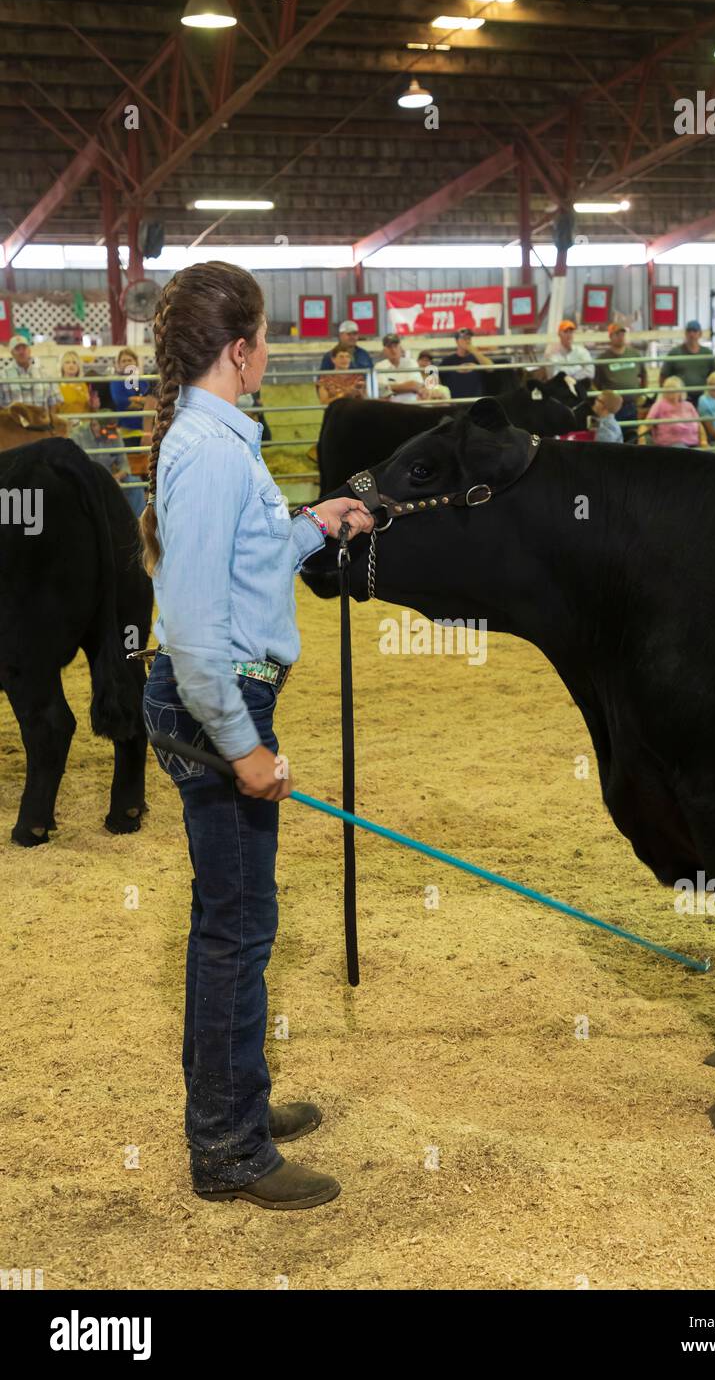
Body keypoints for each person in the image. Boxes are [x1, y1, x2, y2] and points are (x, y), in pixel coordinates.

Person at [139, 260, 374, 1210]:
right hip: (217, 704)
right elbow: (194, 631)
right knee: (237, 931)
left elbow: (249, 550)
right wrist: (242, 747)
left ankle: (236, 1099)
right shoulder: (205, 451)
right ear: (239, 352)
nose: (271, 354)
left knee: (235, 923)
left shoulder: (217, 443)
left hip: (226, 696)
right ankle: (227, 1148)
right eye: (265, 340)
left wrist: (317, 522)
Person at [70, 416, 145, 516]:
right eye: (107, 431)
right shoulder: (77, 435)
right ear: (94, 425)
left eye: (112, 430)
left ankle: (137, 525)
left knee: (135, 482)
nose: (110, 435)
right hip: (85, 478)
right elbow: (73, 465)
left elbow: (124, 465)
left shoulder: (114, 435)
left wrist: (116, 477)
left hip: (109, 477)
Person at [107, 346, 155, 480]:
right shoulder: (116, 382)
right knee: (132, 467)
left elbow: (152, 400)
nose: (127, 362)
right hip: (127, 431)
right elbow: (121, 401)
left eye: (130, 359)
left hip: (146, 431)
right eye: (123, 361)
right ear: (118, 365)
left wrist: (138, 401)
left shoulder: (143, 380)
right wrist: (143, 401)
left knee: (147, 466)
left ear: (136, 362)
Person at [593, 322, 645, 441]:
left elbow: (643, 375)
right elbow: (597, 382)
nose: (621, 336)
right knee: (612, 436)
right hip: (612, 408)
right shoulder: (602, 359)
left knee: (632, 436)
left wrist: (640, 394)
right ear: (610, 336)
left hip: (631, 404)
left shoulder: (635, 354)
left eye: (622, 333)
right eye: (617, 334)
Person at [0, 333, 60, 409]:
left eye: (24, 348)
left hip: (39, 420)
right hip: (14, 420)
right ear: (12, 353)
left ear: (29, 351)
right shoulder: (2, 376)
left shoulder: (45, 375)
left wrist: (49, 419)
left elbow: (55, 403)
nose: (21, 352)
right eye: (17, 349)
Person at [660, 320, 715, 395]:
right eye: (689, 331)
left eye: (695, 331)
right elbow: (663, 376)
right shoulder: (674, 353)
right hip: (679, 398)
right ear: (685, 333)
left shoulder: (707, 353)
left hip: (703, 397)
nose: (691, 334)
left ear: (700, 334)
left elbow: (714, 376)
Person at [646, 375, 701, 447]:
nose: (670, 390)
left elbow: (699, 425)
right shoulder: (659, 405)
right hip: (671, 444)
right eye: (668, 388)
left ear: (680, 391)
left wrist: (704, 441)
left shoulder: (689, 405)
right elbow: (647, 423)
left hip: (693, 442)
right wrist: (642, 440)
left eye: (673, 388)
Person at [438, 327, 493, 399]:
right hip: (455, 402)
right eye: (464, 338)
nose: (467, 341)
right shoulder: (448, 360)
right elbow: (437, 378)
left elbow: (491, 368)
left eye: (469, 338)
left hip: (475, 401)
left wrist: (474, 351)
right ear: (457, 341)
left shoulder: (476, 358)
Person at [375, 334, 425, 402]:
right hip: (390, 408)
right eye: (389, 347)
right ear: (384, 350)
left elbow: (415, 386)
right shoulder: (379, 366)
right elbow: (382, 392)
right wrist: (407, 387)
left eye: (395, 346)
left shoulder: (411, 363)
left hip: (411, 407)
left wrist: (389, 388)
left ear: (400, 348)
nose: (393, 350)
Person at [544, 319, 594, 384]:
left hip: (578, 385)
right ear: (559, 334)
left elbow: (590, 373)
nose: (569, 335)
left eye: (571, 332)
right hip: (559, 388)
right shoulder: (551, 352)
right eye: (565, 332)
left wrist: (572, 379)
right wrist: (578, 367)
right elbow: (554, 375)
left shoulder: (582, 351)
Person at [698, 371, 715, 445]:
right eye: (711, 384)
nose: (714, 387)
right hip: (714, 437)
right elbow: (708, 426)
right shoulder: (703, 400)